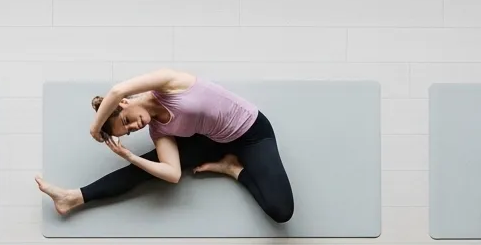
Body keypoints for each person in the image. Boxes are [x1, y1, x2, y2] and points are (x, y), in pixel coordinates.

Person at [34, 67, 294, 224]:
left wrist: (95, 126)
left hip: (251, 132)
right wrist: (130, 156)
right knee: (145, 168)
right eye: (126, 131)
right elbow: (173, 174)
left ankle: (232, 170)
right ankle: (73, 197)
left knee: (281, 211)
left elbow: (116, 90)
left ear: (124, 103)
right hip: (212, 141)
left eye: (125, 120)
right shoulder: (159, 130)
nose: (133, 127)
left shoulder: (168, 83)